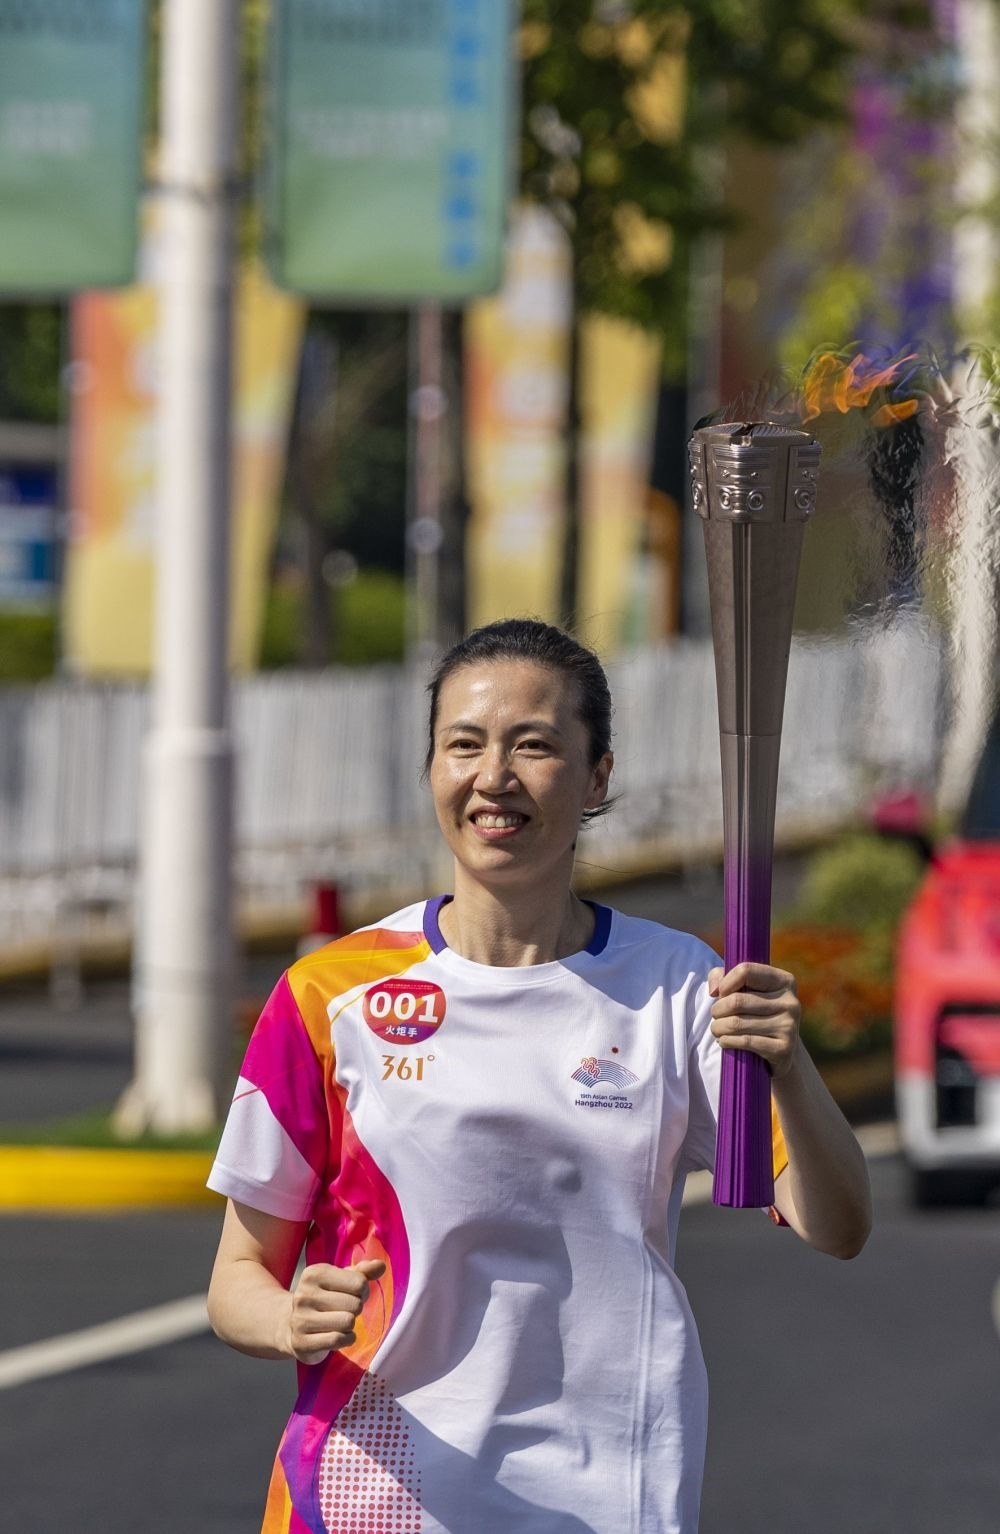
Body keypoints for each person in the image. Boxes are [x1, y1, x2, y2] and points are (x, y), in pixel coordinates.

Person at [207, 618, 872, 1534]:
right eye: (463, 745)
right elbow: (237, 1276)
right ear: (432, 768)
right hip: (376, 1501)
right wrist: (288, 1317)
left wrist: (788, 1066)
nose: (494, 777)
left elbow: (837, 1226)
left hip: (607, 1501)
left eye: (534, 746)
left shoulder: (680, 987)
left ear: (597, 777)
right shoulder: (330, 995)